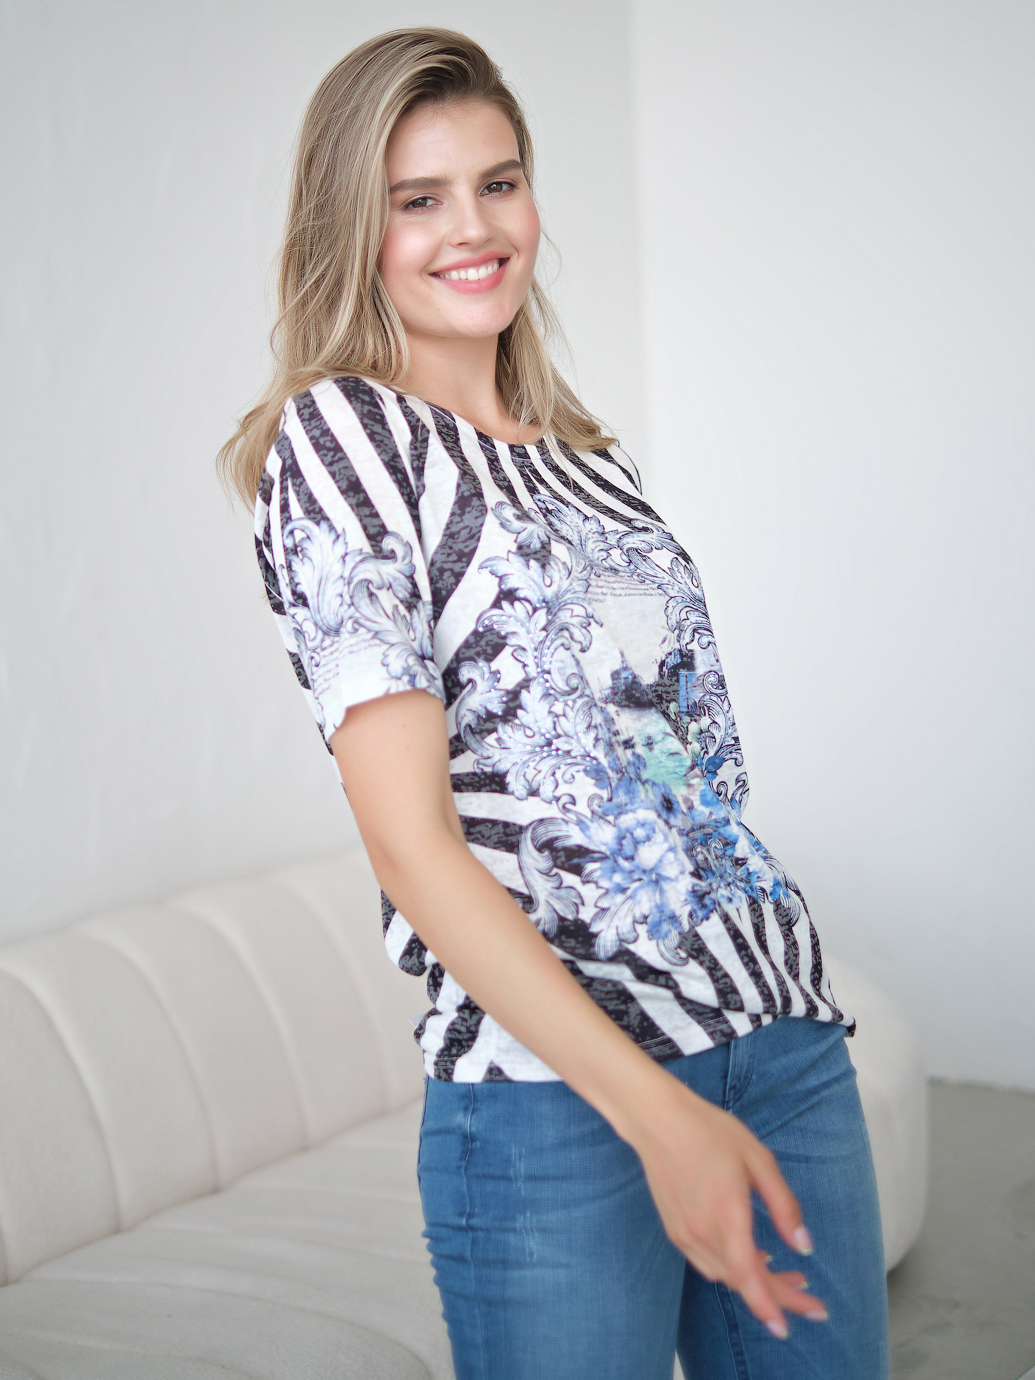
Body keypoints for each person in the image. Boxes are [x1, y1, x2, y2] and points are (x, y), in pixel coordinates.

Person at [219, 27, 890, 1380]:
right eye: (419, 199)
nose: (473, 228)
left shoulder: (587, 457)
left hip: (777, 1034)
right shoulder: (346, 438)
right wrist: (655, 1112)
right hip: (555, 1100)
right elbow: (414, 848)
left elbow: (668, 764)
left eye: (499, 183)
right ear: (354, 229)